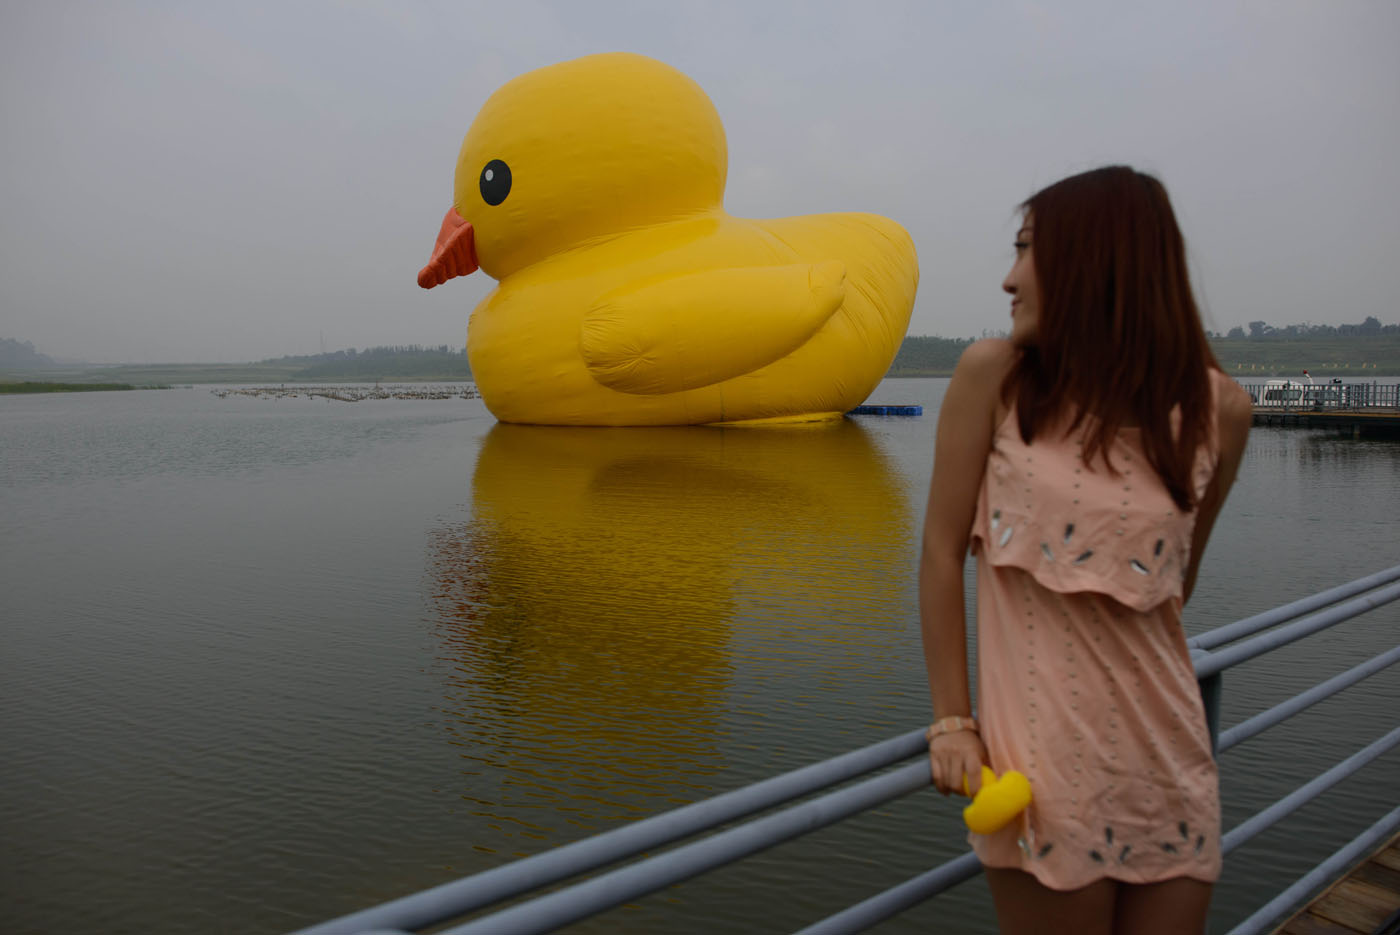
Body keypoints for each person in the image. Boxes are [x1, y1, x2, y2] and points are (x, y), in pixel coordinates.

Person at [918, 166, 1252, 935]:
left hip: (1169, 767)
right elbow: (940, 554)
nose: (1008, 277)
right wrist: (952, 721)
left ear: (1095, 260)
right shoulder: (993, 378)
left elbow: (1175, 588)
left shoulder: (1220, 411)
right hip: (1038, 771)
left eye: (1027, 248)